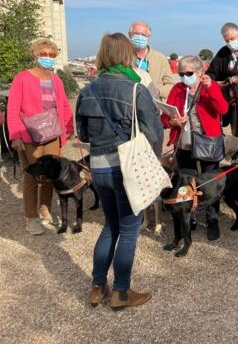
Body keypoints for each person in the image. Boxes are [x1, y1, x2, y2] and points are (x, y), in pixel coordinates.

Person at [76, 33, 163, 309]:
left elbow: (83, 133)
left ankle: (97, 286)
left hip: (98, 167)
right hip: (127, 168)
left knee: (109, 227)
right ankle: (122, 292)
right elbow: (154, 132)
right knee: (128, 230)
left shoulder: (87, 91)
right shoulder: (136, 89)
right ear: (127, 54)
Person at [7, 38, 74, 235]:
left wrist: (68, 128)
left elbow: (63, 106)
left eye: (51, 55)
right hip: (29, 135)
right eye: (43, 54)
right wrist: (15, 135)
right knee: (31, 177)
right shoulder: (22, 78)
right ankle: (31, 217)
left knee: (50, 175)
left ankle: (44, 209)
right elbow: (13, 108)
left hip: (52, 134)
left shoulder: (56, 80)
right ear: (35, 55)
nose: (47, 58)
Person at [161, 55, 229, 240]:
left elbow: (223, 110)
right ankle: (189, 217)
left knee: (210, 182)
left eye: (189, 73)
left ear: (200, 72)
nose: (184, 77)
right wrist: (172, 121)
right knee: (185, 182)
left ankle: (212, 219)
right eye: (181, 73)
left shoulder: (210, 86)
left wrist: (210, 88)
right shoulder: (177, 88)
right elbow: (164, 115)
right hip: (184, 144)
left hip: (208, 142)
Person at [128, 21, 175, 99]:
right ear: (129, 35)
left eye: (143, 35)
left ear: (149, 36)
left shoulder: (160, 58)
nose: (140, 37)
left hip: (153, 105)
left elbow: (171, 85)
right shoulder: (122, 57)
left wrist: (158, 91)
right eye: (136, 34)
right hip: (129, 104)